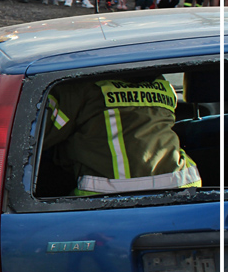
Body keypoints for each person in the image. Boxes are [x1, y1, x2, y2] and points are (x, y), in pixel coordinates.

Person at [43, 75, 200, 196]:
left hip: (104, 196)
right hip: (182, 187)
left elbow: (40, 136)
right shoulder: (163, 86)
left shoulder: (81, 87)